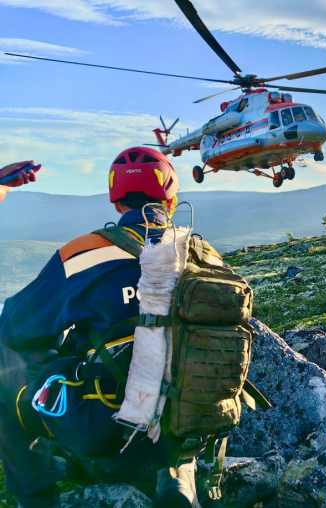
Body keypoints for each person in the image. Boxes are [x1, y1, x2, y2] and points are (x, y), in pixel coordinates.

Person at [0, 147, 220, 508]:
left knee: (3, 352)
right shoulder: (205, 254)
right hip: (197, 422)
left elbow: (16, 329)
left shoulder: (84, 253)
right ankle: (177, 470)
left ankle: (35, 496)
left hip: (108, 431)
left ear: (116, 202)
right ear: (171, 197)